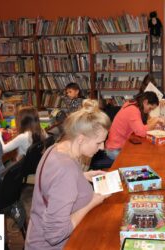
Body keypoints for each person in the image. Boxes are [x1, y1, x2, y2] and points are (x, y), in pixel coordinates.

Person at [25, 99, 111, 250]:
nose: (102, 147)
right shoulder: (65, 169)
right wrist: (93, 201)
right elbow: (55, 235)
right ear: (80, 139)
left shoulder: (57, 148)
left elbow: (53, 185)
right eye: (98, 143)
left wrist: (83, 176)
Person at [105, 91, 165, 160]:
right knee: (140, 160)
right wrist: (155, 121)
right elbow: (141, 132)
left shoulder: (132, 104)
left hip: (117, 145)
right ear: (145, 102)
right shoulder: (133, 110)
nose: (149, 111)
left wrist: (154, 125)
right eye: (150, 108)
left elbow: (139, 127)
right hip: (114, 149)